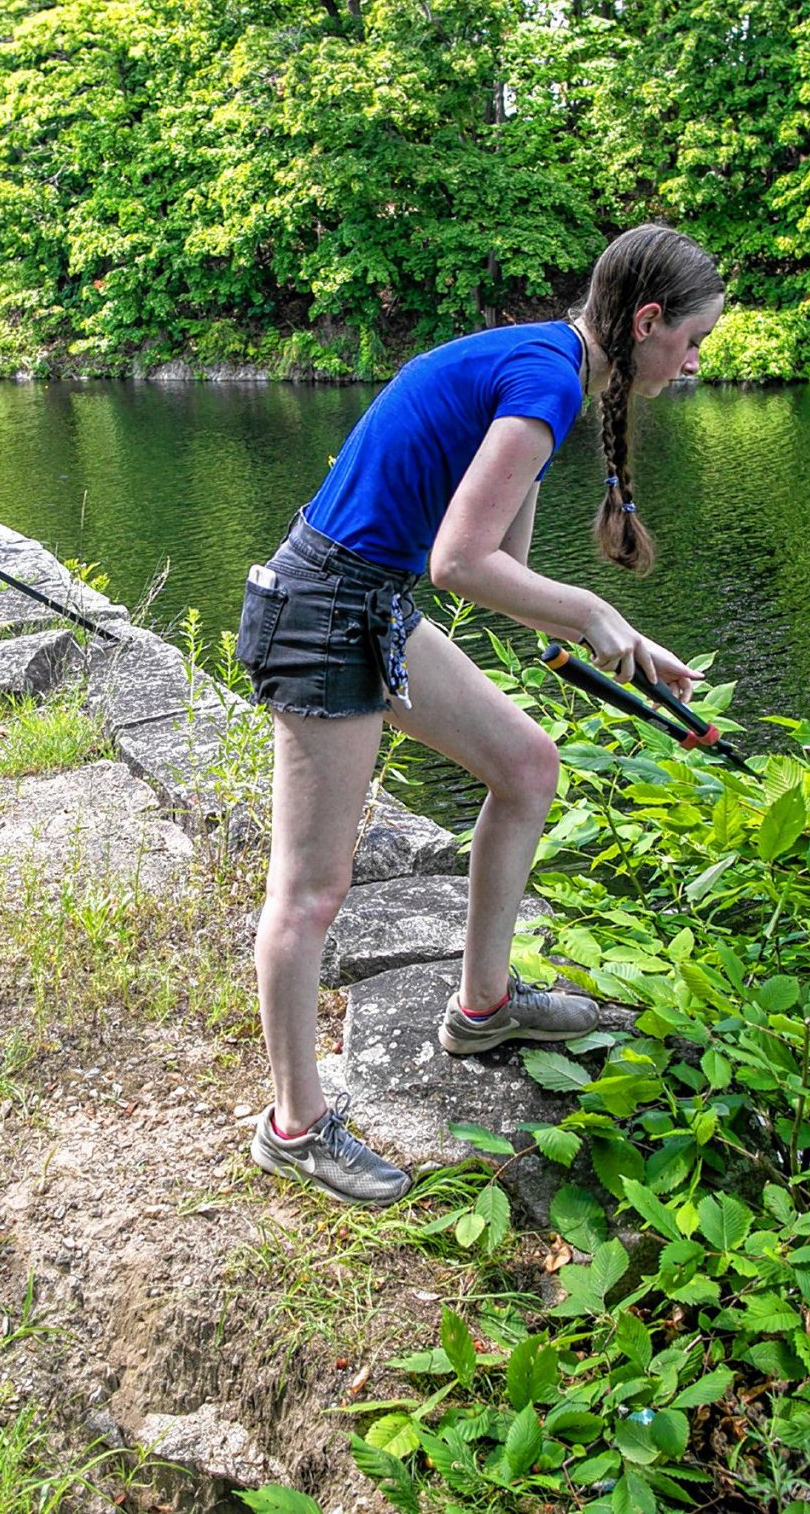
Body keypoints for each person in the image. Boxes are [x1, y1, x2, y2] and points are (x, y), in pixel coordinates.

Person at [237, 223, 724, 1204]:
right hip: (323, 606)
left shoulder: (550, 366)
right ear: (646, 322)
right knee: (310, 892)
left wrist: (605, 639)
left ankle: (484, 1005)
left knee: (527, 765)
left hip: (370, 600)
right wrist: (594, 612)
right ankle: (292, 1125)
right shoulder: (545, 377)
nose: (696, 360)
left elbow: (493, 563)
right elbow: (457, 561)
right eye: (692, 340)